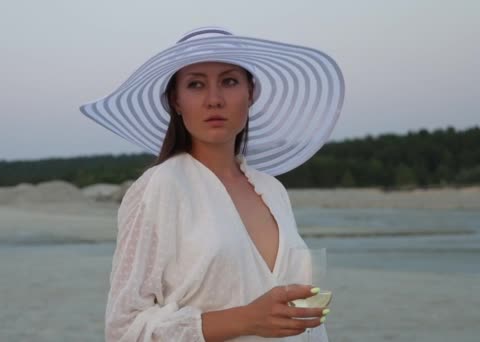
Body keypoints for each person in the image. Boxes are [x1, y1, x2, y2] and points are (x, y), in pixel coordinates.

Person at [80, 27, 344, 341]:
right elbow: (124, 328)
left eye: (229, 81)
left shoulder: (272, 190)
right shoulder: (162, 186)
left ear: (251, 92)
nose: (214, 99)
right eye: (196, 84)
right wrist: (245, 320)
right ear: (176, 101)